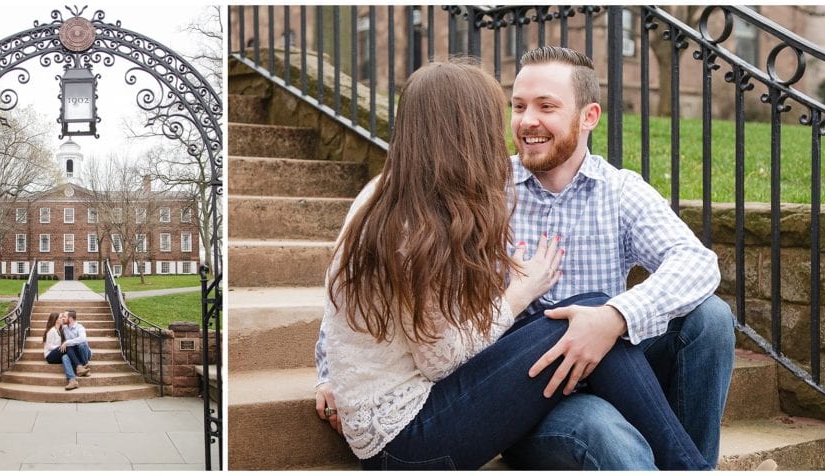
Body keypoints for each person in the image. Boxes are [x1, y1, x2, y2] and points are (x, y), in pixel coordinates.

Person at [316, 46, 741, 470]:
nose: (524, 122)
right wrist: (330, 375)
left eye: (546, 106)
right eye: (516, 107)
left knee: (708, 318)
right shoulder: (469, 195)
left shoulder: (618, 191)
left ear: (588, 117)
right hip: (507, 392)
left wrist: (616, 318)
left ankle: (696, 462)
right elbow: (365, 300)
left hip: (608, 365)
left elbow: (697, 262)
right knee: (605, 425)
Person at [43, 312, 82, 390]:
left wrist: (63, 345)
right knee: (66, 345)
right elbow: (49, 346)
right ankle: (79, 366)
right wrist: (61, 346)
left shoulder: (59, 330)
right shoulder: (52, 330)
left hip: (56, 354)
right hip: (50, 356)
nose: (62, 319)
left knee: (65, 356)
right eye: (60, 318)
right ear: (56, 320)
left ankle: (72, 380)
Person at [60, 309, 93, 375]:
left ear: (70, 318)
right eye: (63, 316)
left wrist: (67, 342)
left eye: (65, 316)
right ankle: (80, 369)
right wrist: (60, 317)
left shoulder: (80, 327)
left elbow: (82, 338)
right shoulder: (64, 328)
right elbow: (56, 322)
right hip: (73, 352)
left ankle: (85, 366)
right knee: (65, 356)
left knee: (82, 344)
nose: (63, 318)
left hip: (85, 352)